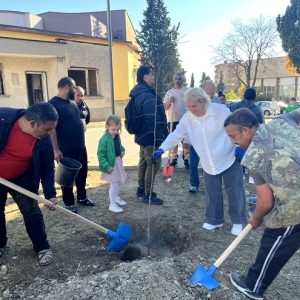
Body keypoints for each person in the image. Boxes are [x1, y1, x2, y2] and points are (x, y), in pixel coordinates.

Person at [224, 108, 300, 300]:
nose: (232, 142)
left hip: (296, 205)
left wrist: (256, 218)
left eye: (233, 136)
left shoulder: (253, 157)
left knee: (275, 235)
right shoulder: (282, 121)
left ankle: (253, 285)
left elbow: (265, 202)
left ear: (247, 130)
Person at [153, 87, 247, 235]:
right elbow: (176, 135)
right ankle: (214, 220)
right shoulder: (187, 118)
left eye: (194, 106)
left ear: (203, 102)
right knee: (212, 191)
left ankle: (238, 221)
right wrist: (161, 148)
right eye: (188, 107)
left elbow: (237, 126)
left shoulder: (220, 111)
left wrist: (241, 145)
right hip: (208, 161)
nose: (191, 109)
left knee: (234, 190)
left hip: (229, 156)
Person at [0, 102, 58, 266]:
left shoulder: (43, 137)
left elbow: (47, 167)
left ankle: (42, 247)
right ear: (33, 124)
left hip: (22, 176)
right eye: (47, 129)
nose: (50, 133)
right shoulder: (3, 120)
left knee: (31, 211)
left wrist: (50, 194)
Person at [49, 77, 94, 213]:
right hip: (66, 149)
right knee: (67, 178)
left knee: (82, 174)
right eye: (74, 87)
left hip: (80, 146)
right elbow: (52, 129)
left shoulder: (72, 103)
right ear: (67, 86)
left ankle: (82, 197)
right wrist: (56, 150)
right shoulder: (53, 104)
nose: (75, 91)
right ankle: (69, 203)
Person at [129, 65, 168, 205]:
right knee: (153, 162)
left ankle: (141, 189)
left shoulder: (138, 92)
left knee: (144, 162)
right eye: (152, 75)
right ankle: (148, 194)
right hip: (150, 136)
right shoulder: (147, 94)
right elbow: (153, 118)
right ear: (145, 76)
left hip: (142, 135)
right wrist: (160, 138)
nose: (154, 77)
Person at [188, 80, 219, 194]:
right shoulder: (194, 101)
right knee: (194, 163)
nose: (211, 95)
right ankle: (193, 184)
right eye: (208, 93)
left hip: (212, 139)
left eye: (213, 92)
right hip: (197, 139)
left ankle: (211, 185)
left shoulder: (217, 101)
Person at [97, 115, 127, 213]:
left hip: (117, 162)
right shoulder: (104, 139)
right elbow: (100, 154)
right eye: (113, 129)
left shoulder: (116, 136)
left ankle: (116, 198)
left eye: (118, 129)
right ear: (107, 127)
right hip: (110, 165)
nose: (116, 132)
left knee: (118, 182)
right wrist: (106, 166)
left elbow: (119, 146)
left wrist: (122, 150)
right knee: (114, 183)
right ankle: (112, 204)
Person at [163, 72, 189, 169]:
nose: (178, 80)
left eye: (179, 79)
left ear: (182, 80)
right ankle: (174, 158)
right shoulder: (169, 92)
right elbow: (165, 107)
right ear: (173, 80)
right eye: (176, 79)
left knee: (186, 140)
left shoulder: (187, 91)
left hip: (185, 120)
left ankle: (186, 159)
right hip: (173, 120)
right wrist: (170, 101)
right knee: (174, 140)